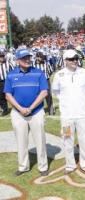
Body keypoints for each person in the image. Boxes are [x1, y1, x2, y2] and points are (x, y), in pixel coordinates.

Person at [4, 48, 49, 176]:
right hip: (18, 113)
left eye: (29, 57)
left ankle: (43, 166)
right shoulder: (11, 74)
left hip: (36, 111)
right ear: (18, 60)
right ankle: (23, 166)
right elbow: (8, 95)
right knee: (21, 141)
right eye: (24, 58)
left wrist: (30, 108)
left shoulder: (39, 73)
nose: (28, 60)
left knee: (40, 140)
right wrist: (20, 109)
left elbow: (44, 92)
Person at [52, 49, 85, 175]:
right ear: (65, 61)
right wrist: (65, 103)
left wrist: (84, 101)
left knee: (84, 139)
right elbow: (55, 92)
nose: (75, 61)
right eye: (71, 59)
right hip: (67, 116)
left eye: (76, 59)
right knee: (67, 139)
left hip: (82, 114)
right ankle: (70, 165)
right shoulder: (59, 75)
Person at [0, 50, 14, 116]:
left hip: (8, 81)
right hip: (0, 82)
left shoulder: (8, 64)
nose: (2, 58)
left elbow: (13, 72)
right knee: (1, 96)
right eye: (0, 56)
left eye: (2, 56)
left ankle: (16, 107)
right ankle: (5, 110)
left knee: (11, 95)